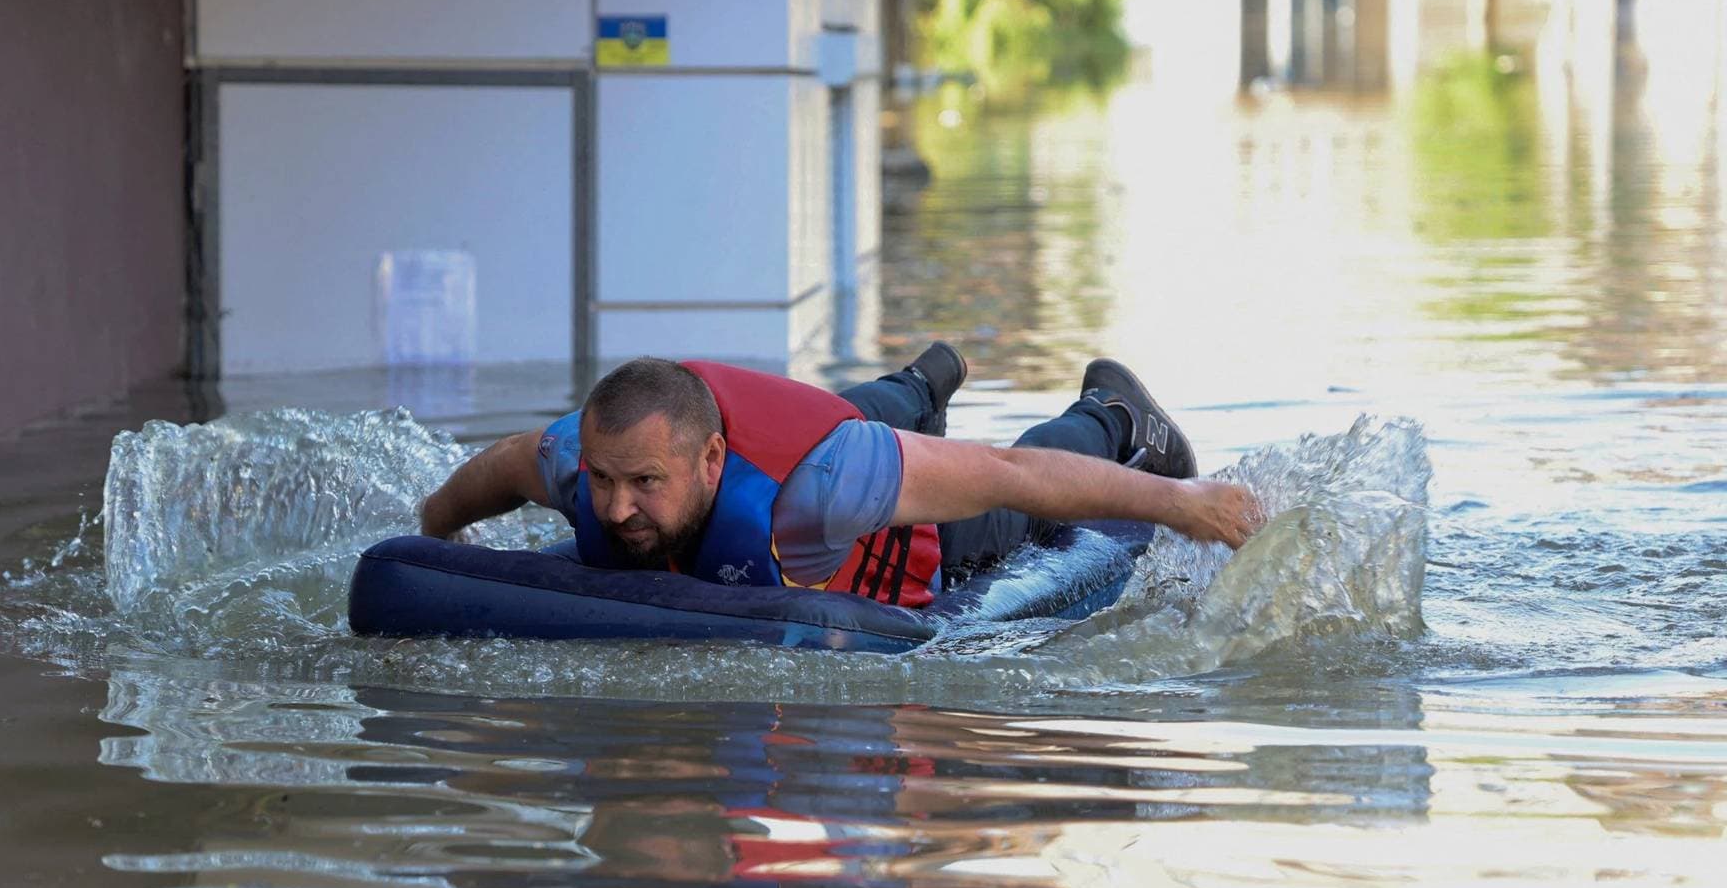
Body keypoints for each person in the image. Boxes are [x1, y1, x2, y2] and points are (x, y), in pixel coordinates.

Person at [417, 345, 1263, 607]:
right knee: (845, 413)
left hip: (896, 523)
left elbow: (1011, 474)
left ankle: (1114, 411)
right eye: (604, 483)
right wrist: (433, 535)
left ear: (710, 460)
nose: (615, 506)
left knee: (1009, 514)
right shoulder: (582, 457)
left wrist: (1178, 499)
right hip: (804, 430)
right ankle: (924, 381)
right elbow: (496, 466)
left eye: (643, 483)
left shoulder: (822, 486)